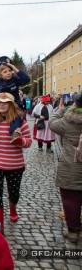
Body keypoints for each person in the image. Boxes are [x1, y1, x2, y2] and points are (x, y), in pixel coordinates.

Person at [0, 92, 32, 234]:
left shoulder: (20, 121)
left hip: (14, 165)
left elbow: (28, 141)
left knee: (14, 193)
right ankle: (0, 226)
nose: (2, 104)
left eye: (5, 102)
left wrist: (20, 141)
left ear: (11, 104)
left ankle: (13, 208)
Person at [49, 92, 82, 243]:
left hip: (71, 167)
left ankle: (73, 232)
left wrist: (61, 109)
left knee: (70, 199)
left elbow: (52, 123)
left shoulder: (68, 121)